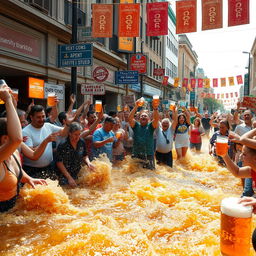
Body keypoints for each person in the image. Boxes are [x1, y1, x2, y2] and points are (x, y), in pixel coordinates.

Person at [0, 88, 46, 212]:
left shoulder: (14, 151)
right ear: (5, 138)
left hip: (14, 209)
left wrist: (28, 178)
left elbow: (18, 171)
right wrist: (8, 100)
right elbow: (16, 139)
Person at [22, 105, 70, 179]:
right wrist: (46, 141)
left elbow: (64, 133)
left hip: (49, 167)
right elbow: (32, 154)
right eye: (38, 117)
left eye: (43, 116)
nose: (42, 119)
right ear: (31, 117)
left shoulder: (48, 126)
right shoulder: (26, 132)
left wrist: (68, 124)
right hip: (32, 170)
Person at [56, 122, 95, 188]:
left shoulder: (81, 142)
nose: (78, 137)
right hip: (64, 175)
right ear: (70, 133)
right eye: (75, 134)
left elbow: (85, 155)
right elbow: (59, 163)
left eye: (79, 134)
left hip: (77, 173)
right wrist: (69, 178)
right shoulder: (63, 145)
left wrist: (88, 163)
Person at [128, 98, 159, 170]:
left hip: (148, 154)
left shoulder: (151, 126)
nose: (143, 117)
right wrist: (135, 106)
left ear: (148, 119)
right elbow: (130, 118)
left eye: (145, 116)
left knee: (149, 174)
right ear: (139, 118)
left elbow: (156, 119)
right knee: (134, 175)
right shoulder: (136, 125)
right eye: (142, 116)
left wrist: (155, 109)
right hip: (136, 154)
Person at [234, 110, 253, 197]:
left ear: (251, 116)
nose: (246, 117)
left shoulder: (254, 127)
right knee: (242, 175)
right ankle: (245, 191)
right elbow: (234, 140)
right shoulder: (239, 127)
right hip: (241, 154)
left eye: (248, 115)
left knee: (249, 176)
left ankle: (247, 193)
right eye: (245, 115)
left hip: (253, 156)